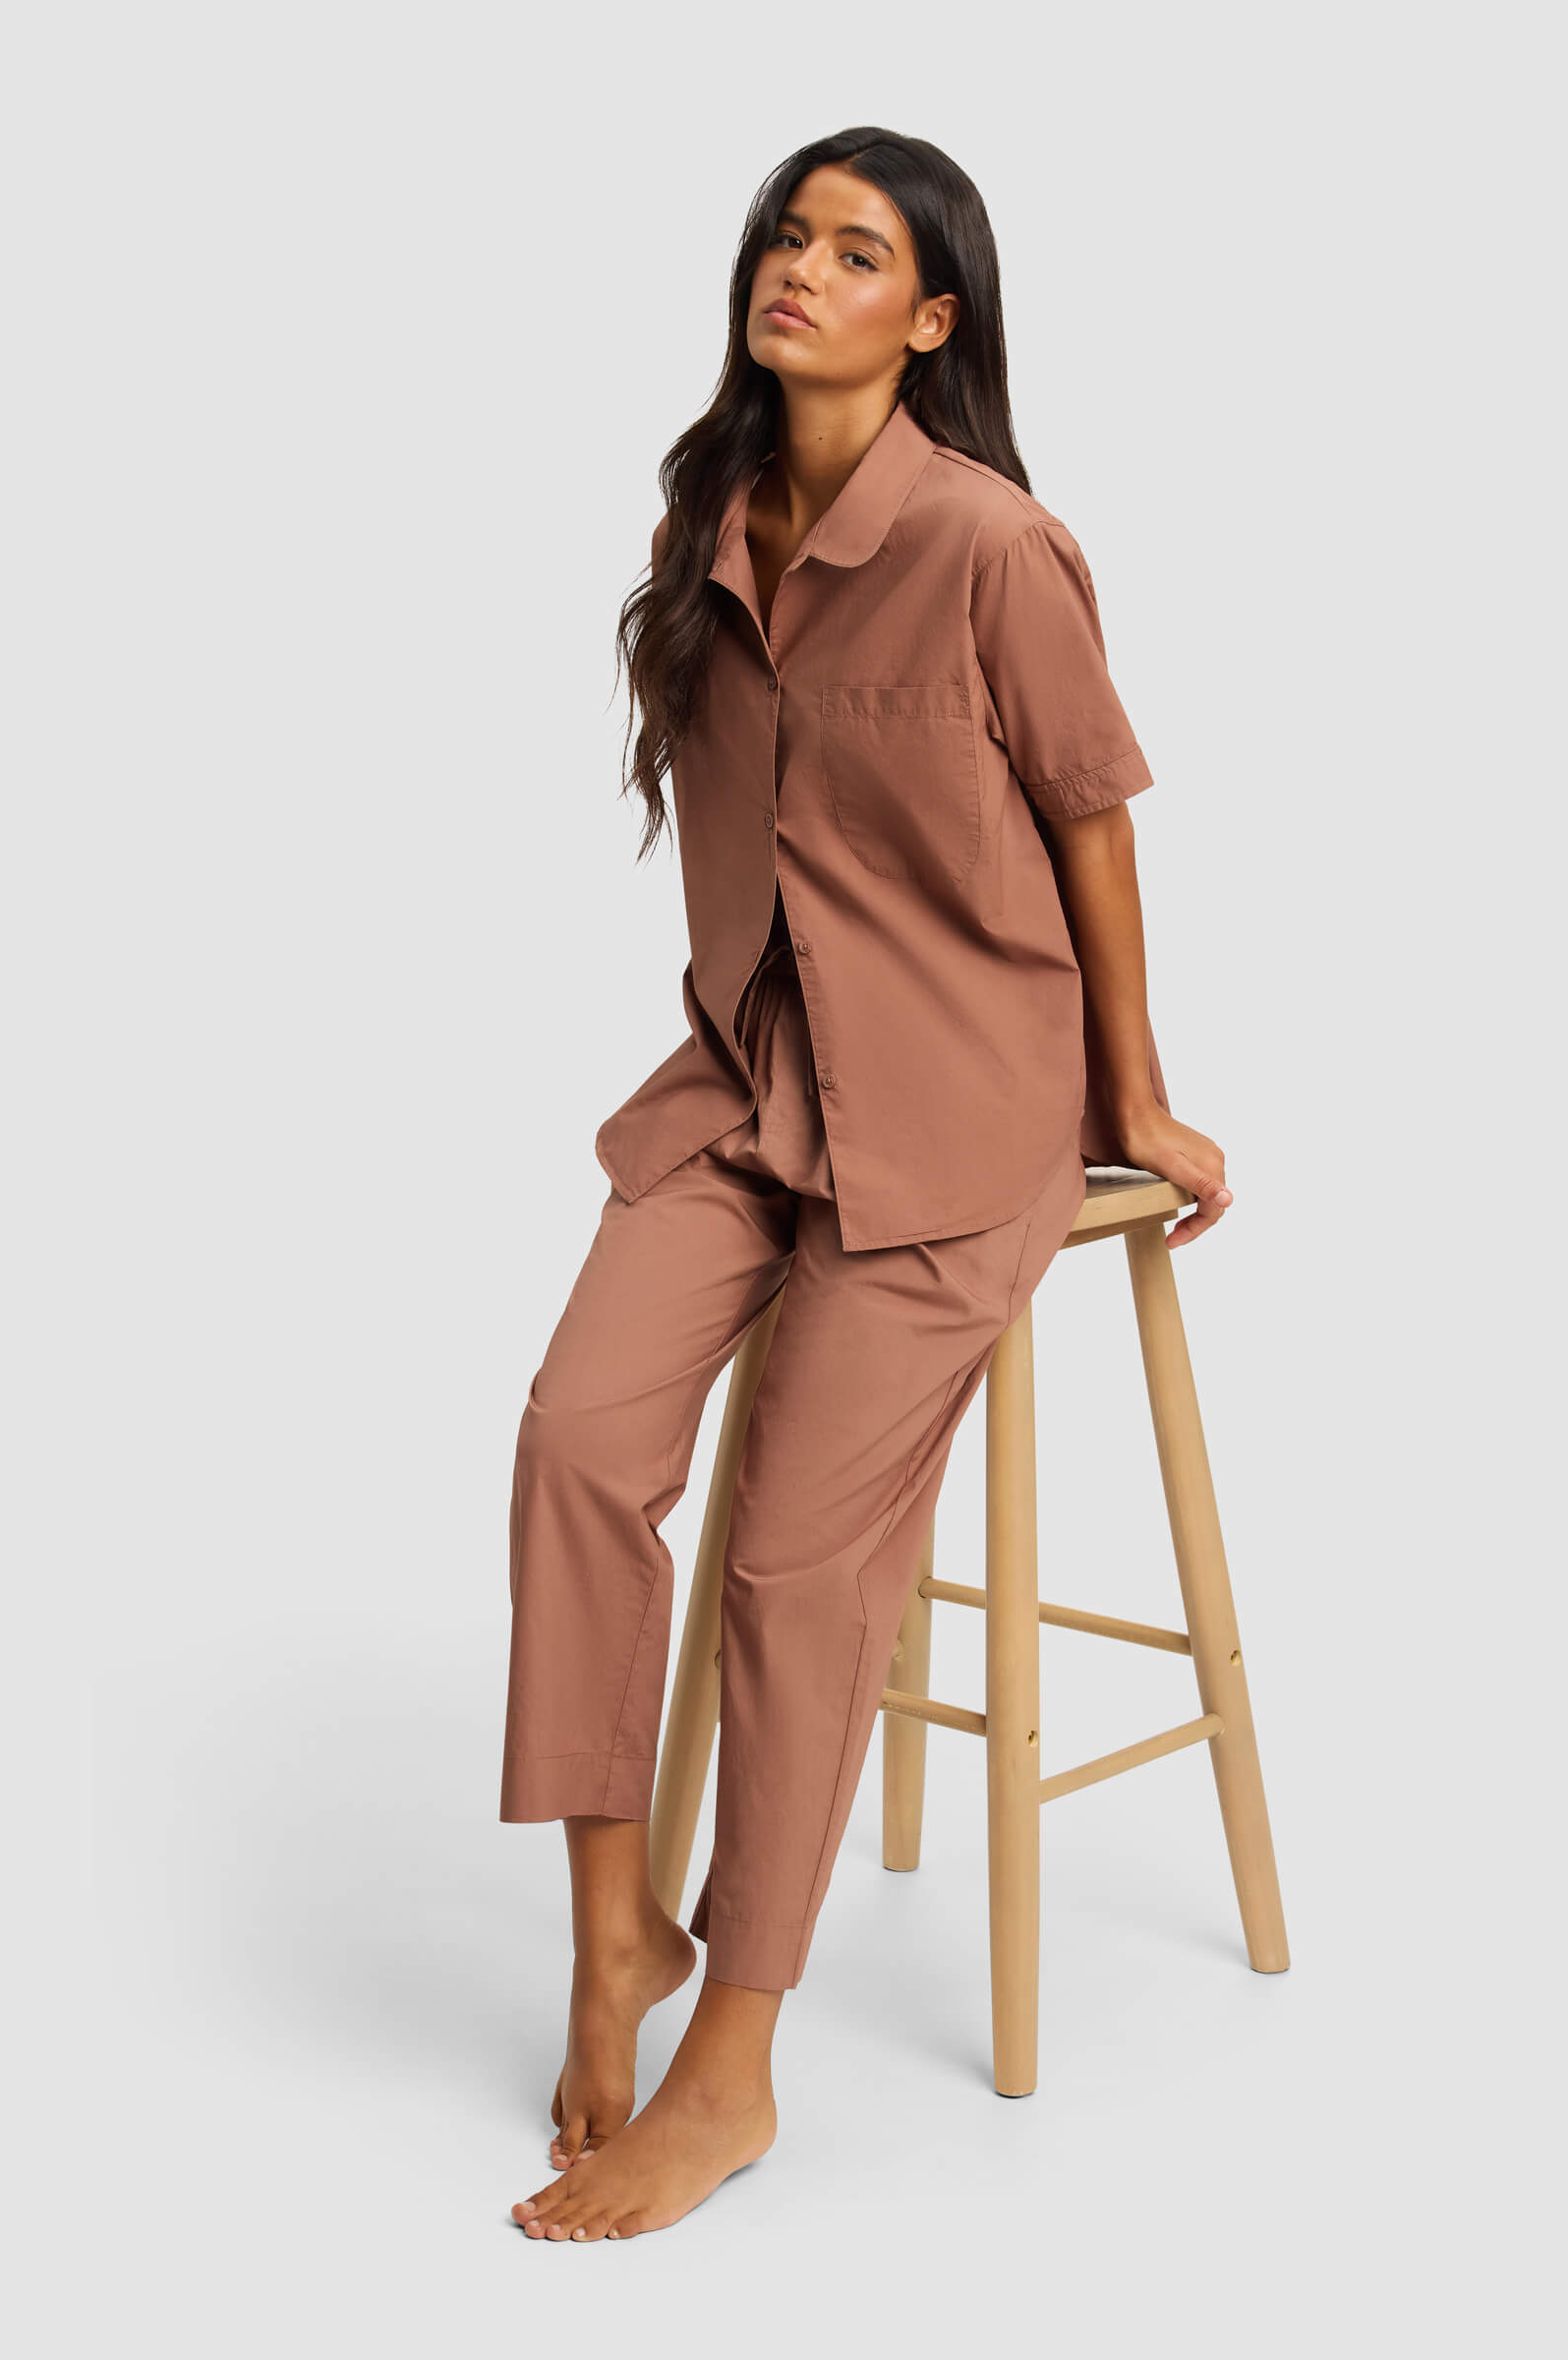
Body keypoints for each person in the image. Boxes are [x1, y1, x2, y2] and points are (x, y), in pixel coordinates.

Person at [504, 126, 1233, 2245]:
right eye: (783, 236)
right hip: (747, 1085)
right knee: (574, 1446)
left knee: (794, 1572)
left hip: (956, 1118)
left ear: (931, 318)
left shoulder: (996, 546)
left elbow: (1093, 818)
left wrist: (1140, 1095)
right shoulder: (712, 518)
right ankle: (614, 1933)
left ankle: (733, 2065)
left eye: (851, 251)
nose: (797, 269)